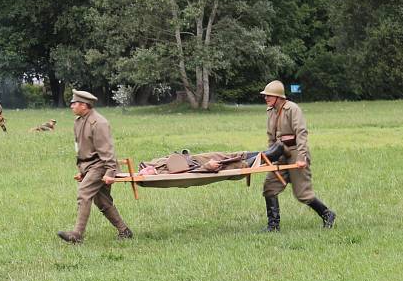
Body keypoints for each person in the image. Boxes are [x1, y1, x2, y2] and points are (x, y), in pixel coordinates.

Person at [58, 90, 133, 243]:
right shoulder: (79, 122)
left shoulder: (99, 123)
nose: (71, 106)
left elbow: (107, 150)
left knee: (84, 193)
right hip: (90, 166)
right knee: (102, 201)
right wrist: (82, 171)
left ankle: (77, 235)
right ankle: (124, 231)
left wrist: (110, 172)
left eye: (75, 103)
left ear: (84, 106)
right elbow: (82, 150)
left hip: (101, 165)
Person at [260, 80, 336, 230]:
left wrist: (302, 157)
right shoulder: (271, 112)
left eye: (269, 95)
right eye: (265, 95)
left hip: (295, 152)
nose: (265, 98)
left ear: (278, 97)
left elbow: (301, 133)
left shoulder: (292, 109)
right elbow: (271, 137)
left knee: (302, 193)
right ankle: (273, 226)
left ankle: (327, 214)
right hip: (280, 153)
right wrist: (270, 157)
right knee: (269, 187)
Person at [138, 145, 285, 175]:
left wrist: (147, 168)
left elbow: (171, 158)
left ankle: (265, 153)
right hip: (199, 168)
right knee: (230, 165)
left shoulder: (150, 164)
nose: (146, 170)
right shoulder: (162, 175)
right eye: (146, 171)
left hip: (194, 159)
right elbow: (185, 174)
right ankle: (269, 156)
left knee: (225, 155)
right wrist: (206, 168)